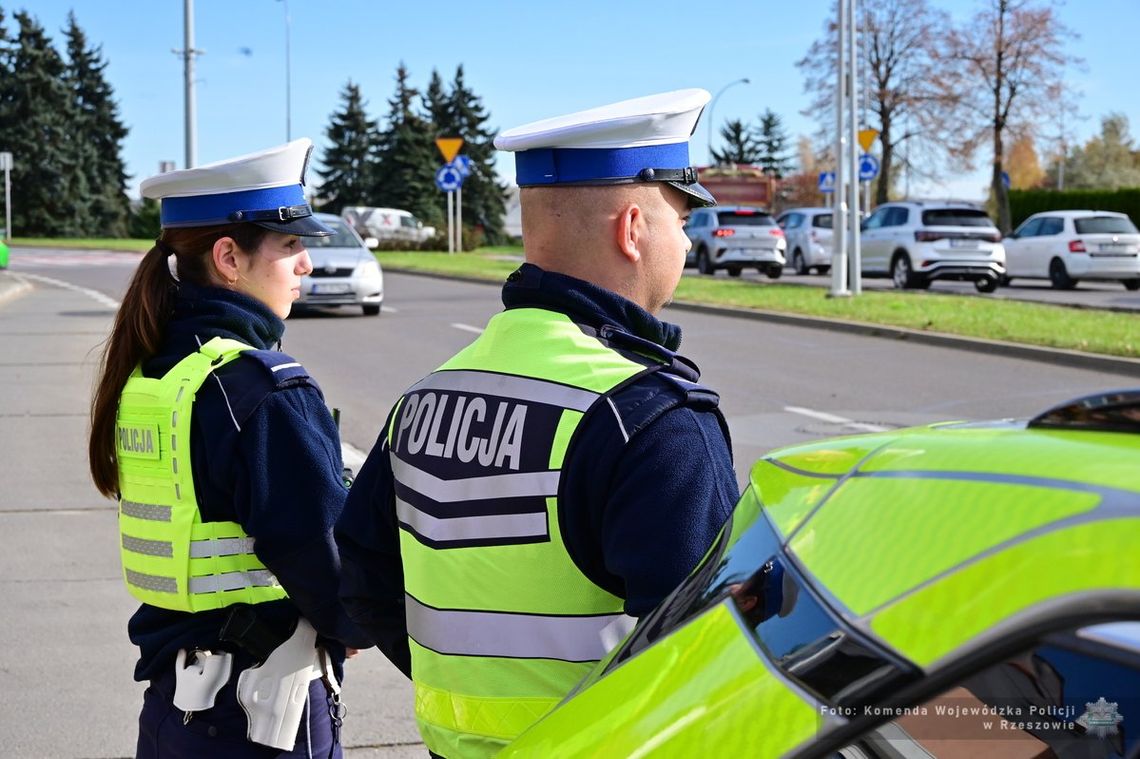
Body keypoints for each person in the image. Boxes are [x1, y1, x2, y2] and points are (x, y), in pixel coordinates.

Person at [335, 89, 740, 758]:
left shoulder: (426, 397)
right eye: (682, 220)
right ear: (632, 228)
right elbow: (712, 662)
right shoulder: (651, 418)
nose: (687, 241)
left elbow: (364, 579)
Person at [88, 138, 371, 758]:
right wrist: (356, 618)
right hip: (260, 714)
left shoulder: (152, 376)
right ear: (228, 258)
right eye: (292, 247)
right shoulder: (261, 389)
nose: (306, 267)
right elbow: (326, 563)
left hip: (174, 705)